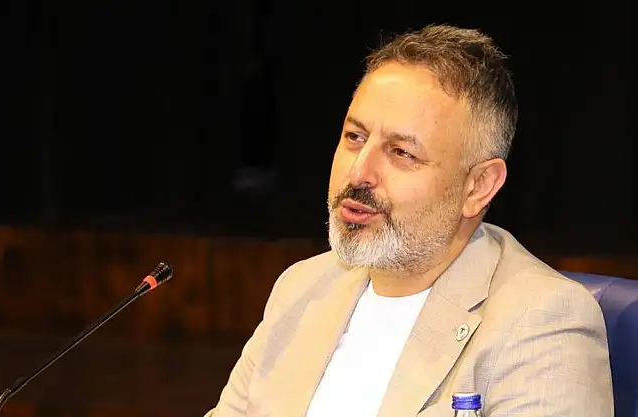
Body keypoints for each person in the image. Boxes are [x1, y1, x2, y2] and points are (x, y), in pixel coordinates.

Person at [205, 24, 613, 416]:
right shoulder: (303, 286)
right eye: (355, 137)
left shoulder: (540, 321)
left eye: (402, 153)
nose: (359, 173)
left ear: (478, 187)